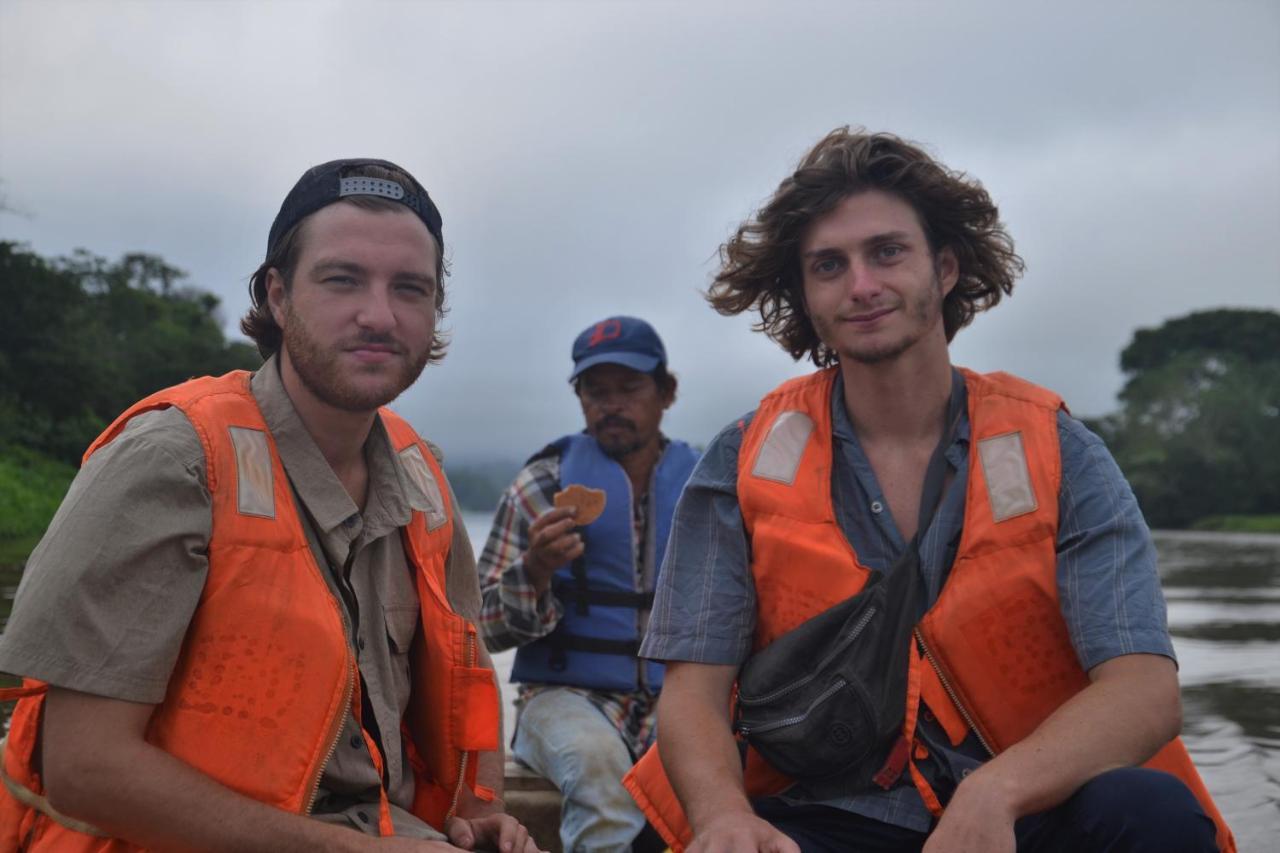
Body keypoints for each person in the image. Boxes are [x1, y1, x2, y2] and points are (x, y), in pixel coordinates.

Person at [623, 129, 1235, 853]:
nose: (861, 285)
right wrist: (724, 816)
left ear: (944, 268)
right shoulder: (742, 458)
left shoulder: (1062, 451)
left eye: (887, 251)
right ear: (806, 296)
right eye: (829, 265)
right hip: (827, 816)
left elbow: (1143, 687)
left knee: (1150, 809)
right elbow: (693, 691)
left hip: (1021, 812)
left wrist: (995, 791)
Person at [0, 159, 543, 852]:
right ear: (279, 297)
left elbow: (462, 689)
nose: (379, 315)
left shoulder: (422, 482)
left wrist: (476, 809)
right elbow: (82, 767)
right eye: (342, 279)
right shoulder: (174, 461)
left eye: (410, 288)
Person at [476, 316, 700, 852]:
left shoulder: (706, 486)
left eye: (629, 389)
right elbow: (478, 627)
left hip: (682, 699)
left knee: (717, 782)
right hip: (561, 697)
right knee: (599, 769)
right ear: (579, 398)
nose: (611, 405)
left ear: (666, 393)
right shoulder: (542, 486)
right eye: (596, 392)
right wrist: (534, 570)